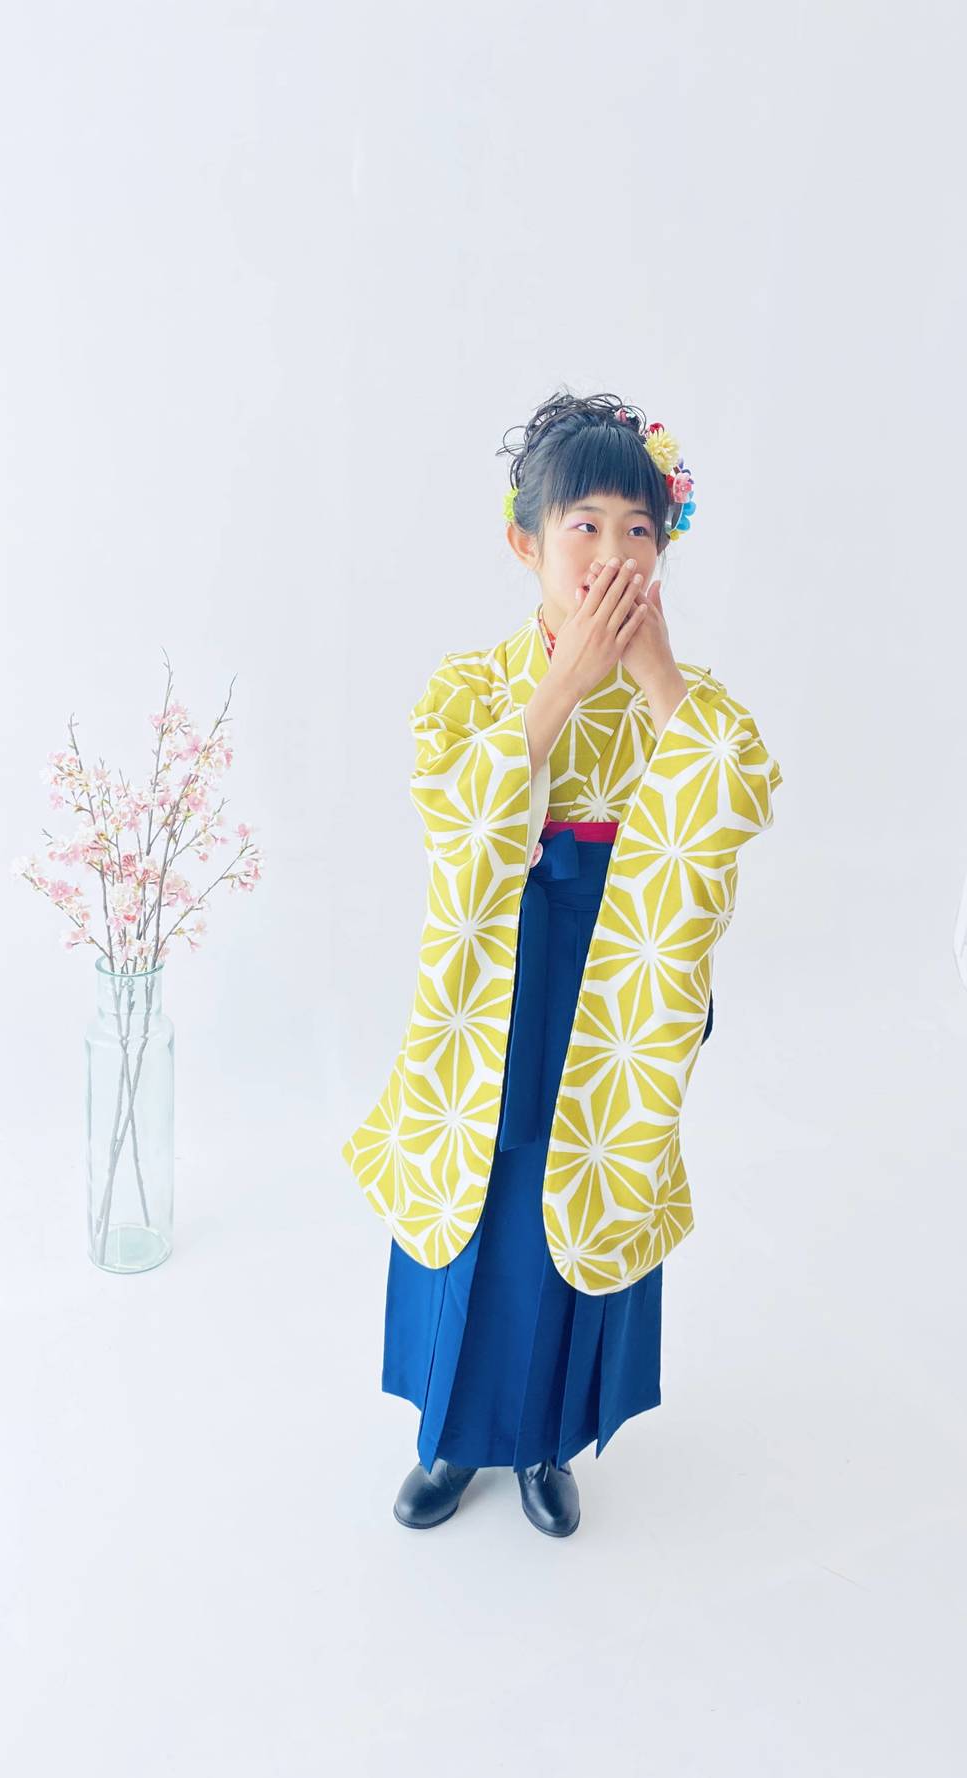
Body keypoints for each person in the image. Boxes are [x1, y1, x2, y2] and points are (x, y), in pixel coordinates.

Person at [342, 388, 782, 1538]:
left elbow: (736, 798)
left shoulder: (686, 702)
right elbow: (453, 819)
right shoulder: (468, 687)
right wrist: (558, 688)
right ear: (523, 541)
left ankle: (546, 1439)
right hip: (500, 970)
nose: (611, 552)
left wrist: (656, 675)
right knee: (481, 1185)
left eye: (639, 529)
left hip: (621, 976)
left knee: (584, 1183)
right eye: (583, 524)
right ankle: (450, 1434)